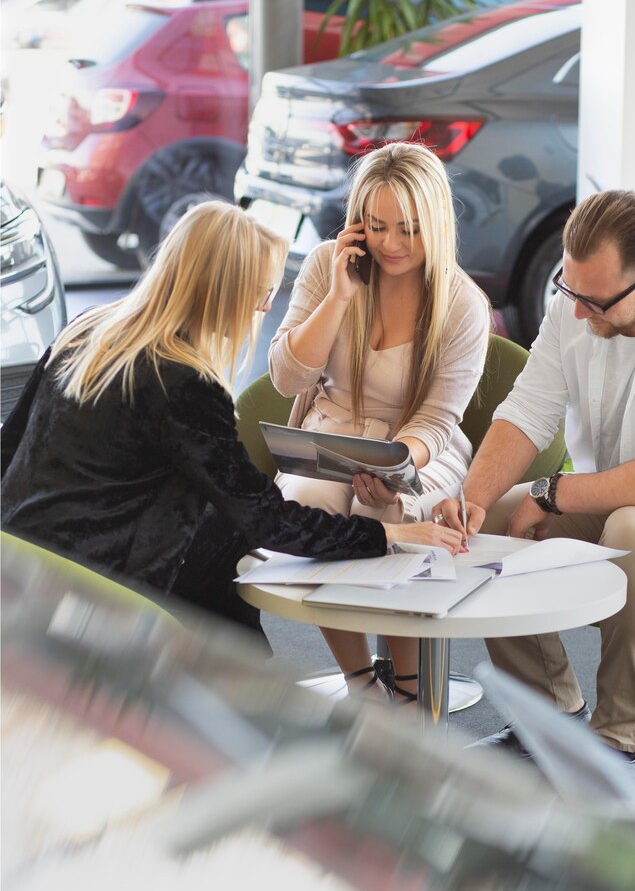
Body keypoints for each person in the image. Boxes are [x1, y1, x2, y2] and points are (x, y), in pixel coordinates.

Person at [1, 201, 463, 663]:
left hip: (20, 563)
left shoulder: (88, 331)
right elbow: (266, 519)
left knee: (218, 531)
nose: (264, 306)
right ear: (223, 291)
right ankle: (242, 684)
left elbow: (9, 445)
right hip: (92, 591)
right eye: (262, 292)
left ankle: (246, 673)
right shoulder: (182, 383)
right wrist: (385, 535)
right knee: (227, 539)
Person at [436, 189, 635, 782]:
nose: (577, 313)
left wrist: (550, 493)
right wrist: (470, 502)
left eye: (594, 301)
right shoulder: (574, 303)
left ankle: (620, 744)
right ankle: (549, 718)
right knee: (496, 517)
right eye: (568, 291)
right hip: (610, 484)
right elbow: (525, 413)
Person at [269, 143, 491, 703]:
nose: (391, 244)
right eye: (377, 226)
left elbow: (437, 421)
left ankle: (413, 688)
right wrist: (341, 295)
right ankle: (361, 679)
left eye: (409, 230)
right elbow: (288, 380)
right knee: (310, 507)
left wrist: (396, 468)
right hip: (330, 434)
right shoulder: (327, 265)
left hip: (418, 448)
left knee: (383, 505)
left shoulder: (461, 303)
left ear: (436, 223)